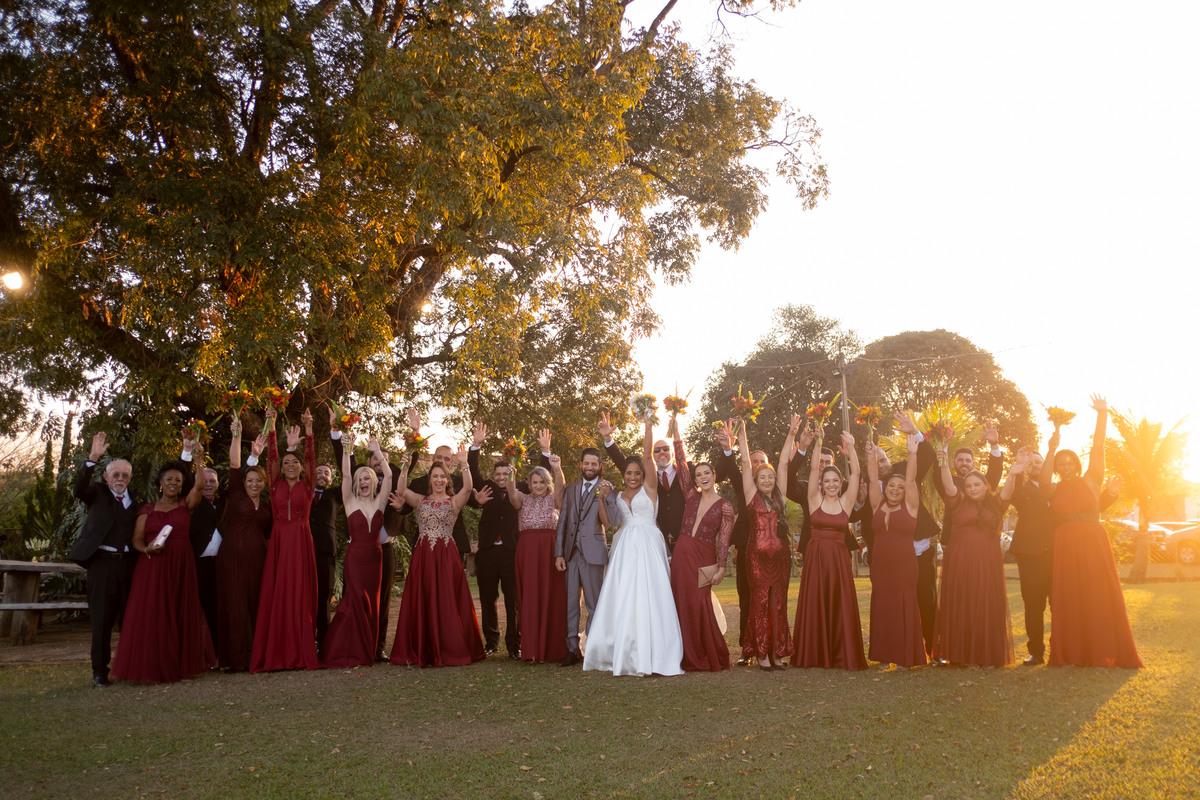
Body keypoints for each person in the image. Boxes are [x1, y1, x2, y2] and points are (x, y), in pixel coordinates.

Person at [1039, 396, 1141, 668]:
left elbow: (1097, 447)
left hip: (1093, 539)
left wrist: (1102, 414)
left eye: (1070, 462)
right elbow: (1043, 480)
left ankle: (1102, 651)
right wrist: (1052, 450)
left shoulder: (1093, 479)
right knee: (1069, 598)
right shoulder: (1054, 488)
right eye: (1062, 464)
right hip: (1066, 543)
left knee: (1097, 594)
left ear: (1077, 464)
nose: (1066, 466)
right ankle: (1073, 654)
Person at [583, 414, 684, 676]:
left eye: (637, 473)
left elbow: (648, 457)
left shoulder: (650, 490)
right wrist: (602, 500)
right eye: (629, 473)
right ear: (624, 475)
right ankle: (622, 649)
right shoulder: (616, 494)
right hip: (624, 545)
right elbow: (608, 523)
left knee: (651, 594)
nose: (633, 477)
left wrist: (648, 426)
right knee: (624, 594)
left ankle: (655, 651)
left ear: (643, 475)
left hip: (649, 542)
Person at [111, 443, 216, 683]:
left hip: (181, 563)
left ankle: (179, 664)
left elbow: (200, 485)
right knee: (153, 613)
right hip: (152, 566)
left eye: (178, 481)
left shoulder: (186, 506)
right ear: (160, 482)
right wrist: (146, 549)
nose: (174, 483)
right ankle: (151, 664)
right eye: (169, 479)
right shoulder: (147, 509)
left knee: (179, 610)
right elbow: (136, 540)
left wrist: (198, 459)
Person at [1009, 446, 1122, 666]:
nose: (1035, 466)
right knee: (1033, 605)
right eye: (1031, 463)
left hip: (1062, 554)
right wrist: (1016, 471)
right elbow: (1012, 497)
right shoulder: (1021, 490)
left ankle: (1063, 650)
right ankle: (1035, 651)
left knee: (1064, 604)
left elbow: (1087, 508)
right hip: (1031, 556)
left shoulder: (1059, 488)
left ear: (1047, 467)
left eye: (1039, 463)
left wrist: (1110, 494)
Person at [388, 443, 485, 666]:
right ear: (430, 479)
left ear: (447, 480)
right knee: (424, 598)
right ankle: (425, 647)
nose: (439, 480)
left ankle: (449, 646)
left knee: (447, 599)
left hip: (446, 556)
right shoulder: (421, 501)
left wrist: (464, 464)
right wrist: (404, 466)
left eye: (442, 477)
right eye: (435, 476)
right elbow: (402, 490)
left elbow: (468, 489)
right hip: (423, 556)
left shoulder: (454, 502)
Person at [467, 424, 548, 659]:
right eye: (498, 475)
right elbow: (472, 470)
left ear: (511, 473)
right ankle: (491, 642)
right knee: (488, 598)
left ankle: (514, 644)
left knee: (513, 600)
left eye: (505, 474)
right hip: (488, 552)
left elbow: (541, 477)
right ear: (493, 477)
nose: (502, 478)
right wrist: (476, 446)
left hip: (513, 551)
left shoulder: (522, 489)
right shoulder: (487, 489)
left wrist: (545, 451)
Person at [932, 441, 1014, 668]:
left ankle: (986, 654)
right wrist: (944, 459)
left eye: (977, 484)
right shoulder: (957, 502)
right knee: (962, 603)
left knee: (985, 603)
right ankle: (962, 654)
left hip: (987, 560)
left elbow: (1007, 492)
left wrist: (1014, 473)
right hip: (959, 559)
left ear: (986, 486)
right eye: (968, 486)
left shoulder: (995, 505)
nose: (973, 488)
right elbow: (948, 484)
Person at [250, 407, 320, 673]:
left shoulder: (308, 485)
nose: (290, 465)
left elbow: (313, 459)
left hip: (301, 541)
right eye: (287, 463)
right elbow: (271, 456)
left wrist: (309, 430)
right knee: (278, 593)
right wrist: (272, 425)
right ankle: (277, 650)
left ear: (301, 468)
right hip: (280, 541)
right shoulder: (275, 484)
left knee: (300, 594)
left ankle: (300, 649)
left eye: (295, 463)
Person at [792, 425, 867, 671]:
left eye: (836, 480)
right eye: (827, 480)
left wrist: (852, 450)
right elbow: (814, 468)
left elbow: (856, 474)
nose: (832, 484)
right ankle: (814, 654)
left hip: (837, 560)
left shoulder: (846, 503)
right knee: (816, 603)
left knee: (839, 603)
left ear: (840, 482)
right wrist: (818, 441)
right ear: (821, 483)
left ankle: (840, 654)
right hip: (816, 560)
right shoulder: (814, 500)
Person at [68, 432, 140, 687]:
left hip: (129, 566)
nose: (120, 478)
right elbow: (78, 489)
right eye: (115, 475)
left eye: (124, 475)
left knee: (132, 619)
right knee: (102, 620)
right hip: (101, 565)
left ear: (130, 478)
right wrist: (92, 458)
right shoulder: (97, 493)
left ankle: (131, 666)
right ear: (106, 477)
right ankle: (100, 671)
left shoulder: (137, 503)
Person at [321, 437, 392, 668]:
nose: (363, 481)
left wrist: (378, 452)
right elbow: (345, 474)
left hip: (375, 558)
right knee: (354, 600)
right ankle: (342, 649)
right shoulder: (349, 500)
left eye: (367, 478)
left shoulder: (381, 501)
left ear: (373, 482)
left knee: (372, 601)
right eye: (360, 478)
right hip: (356, 558)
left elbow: (389, 476)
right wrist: (346, 450)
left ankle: (367, 649)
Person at [669, 420, 734, 672]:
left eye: (707, 473)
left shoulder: (725, 506)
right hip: (682, 553)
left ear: (714, 475)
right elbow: (681, 462)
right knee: (679, 602)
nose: (703, 477)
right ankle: (681, 653)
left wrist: (720, 568)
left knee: (698, 604)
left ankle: (705, 653)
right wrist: (676, 431)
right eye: (699, 475)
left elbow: (725, 540)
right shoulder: (691, 495)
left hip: (704, 557)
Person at [553, 445, 621, 667]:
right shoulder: (571, 489)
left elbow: (611, 521)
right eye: (586, 463)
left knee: (594, 604)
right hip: (571, 554)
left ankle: (591, 646)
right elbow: (562, 522)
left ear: (599, 467)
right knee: (571, 603)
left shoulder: (607, 488)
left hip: (594, 552)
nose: (590, 467)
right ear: (581, 465)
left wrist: (606, 497)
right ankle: (572, 649)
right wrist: (559, 553)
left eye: (594, 464)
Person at [736, 417, 794, 671]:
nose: (768, 480)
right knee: (759, 602)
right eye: (763, 477)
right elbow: (747, 462)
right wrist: (742, 433)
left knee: (778, 603)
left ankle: (777, 652)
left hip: (781, 558)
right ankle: (761, 653)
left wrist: (791, 433)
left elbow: (783, 461)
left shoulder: (780, 494)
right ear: (756, 480)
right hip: (757, 559)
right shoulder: (751, 495)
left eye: (771, 477)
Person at [864, 436, 927, 668]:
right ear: (886, 486)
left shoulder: (910, 505)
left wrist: (912, 453)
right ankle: (883, 656)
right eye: (892, 485)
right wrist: (871, 456)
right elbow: (872, 480)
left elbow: (911, 481)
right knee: (882, 605)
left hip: (904, 566)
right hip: (880, 565)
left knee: (904, 605)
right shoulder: (877, 504)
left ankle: (904, 657)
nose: (895, 489)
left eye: (899, 488)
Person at [215, 421, 272, 671]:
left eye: (258, 481)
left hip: (258, 561)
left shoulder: (267, 508)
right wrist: (236, 435)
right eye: (249, 480)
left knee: (256, 606)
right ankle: (234, 660)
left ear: (263, 483)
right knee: (235, 606)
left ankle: (256, 657)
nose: (253, 484)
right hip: (232, 561)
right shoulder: (236, 495)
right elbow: (235, 464)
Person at [714, 424, 769, 666]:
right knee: (746, 598)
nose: (756, 465)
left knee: (767, 599)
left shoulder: (774, 488)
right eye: (754, 461)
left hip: (769, 550)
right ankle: (747, 650)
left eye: (761, 462)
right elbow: (731, 467)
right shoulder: (741, 483)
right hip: (746, 548)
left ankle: (768, 646)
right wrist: (729, 449)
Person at [507, 447, 568, 664]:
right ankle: (531, 649)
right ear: (529, 484)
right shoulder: (523, 500)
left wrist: (557, 467)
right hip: (527, 554)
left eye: (542, 482)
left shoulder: (555, 500)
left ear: (548, 482)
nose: (539, 486)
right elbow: (511, 493)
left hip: (551, 553)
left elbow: (561, 488)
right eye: (535, 482)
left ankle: (552, 649)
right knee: (530, 599)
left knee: (552, 597)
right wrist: (511, 470)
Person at [600, 411, 685, 553]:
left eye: (666, 449)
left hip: (675, 537)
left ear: (671, 452)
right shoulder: (642, 478)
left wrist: (649, 427)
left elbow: (647, 457)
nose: (662, 452)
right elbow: (628, 464)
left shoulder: (685, 473)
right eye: (657, 450)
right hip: (634, 542)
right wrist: (608, 439)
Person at [186, 461, 222, 647]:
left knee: (219, 608)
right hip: (198, 563)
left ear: (217, 484)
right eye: (205, 481)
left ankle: (218, 650)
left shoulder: (224, 503)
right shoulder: (191, 503)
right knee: (200, 608)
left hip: (221, 564)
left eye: (212, 481)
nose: (208, 484)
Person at [309, 456, 341, 653]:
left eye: (326, 473)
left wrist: (346, 451)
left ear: (331, 479)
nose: (322, 475)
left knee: (323, 598)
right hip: (302, 550)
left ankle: (324, 643)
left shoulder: (336, 495)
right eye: (318, 471)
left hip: (325, 551)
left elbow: (349, 475)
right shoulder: (302, 493)